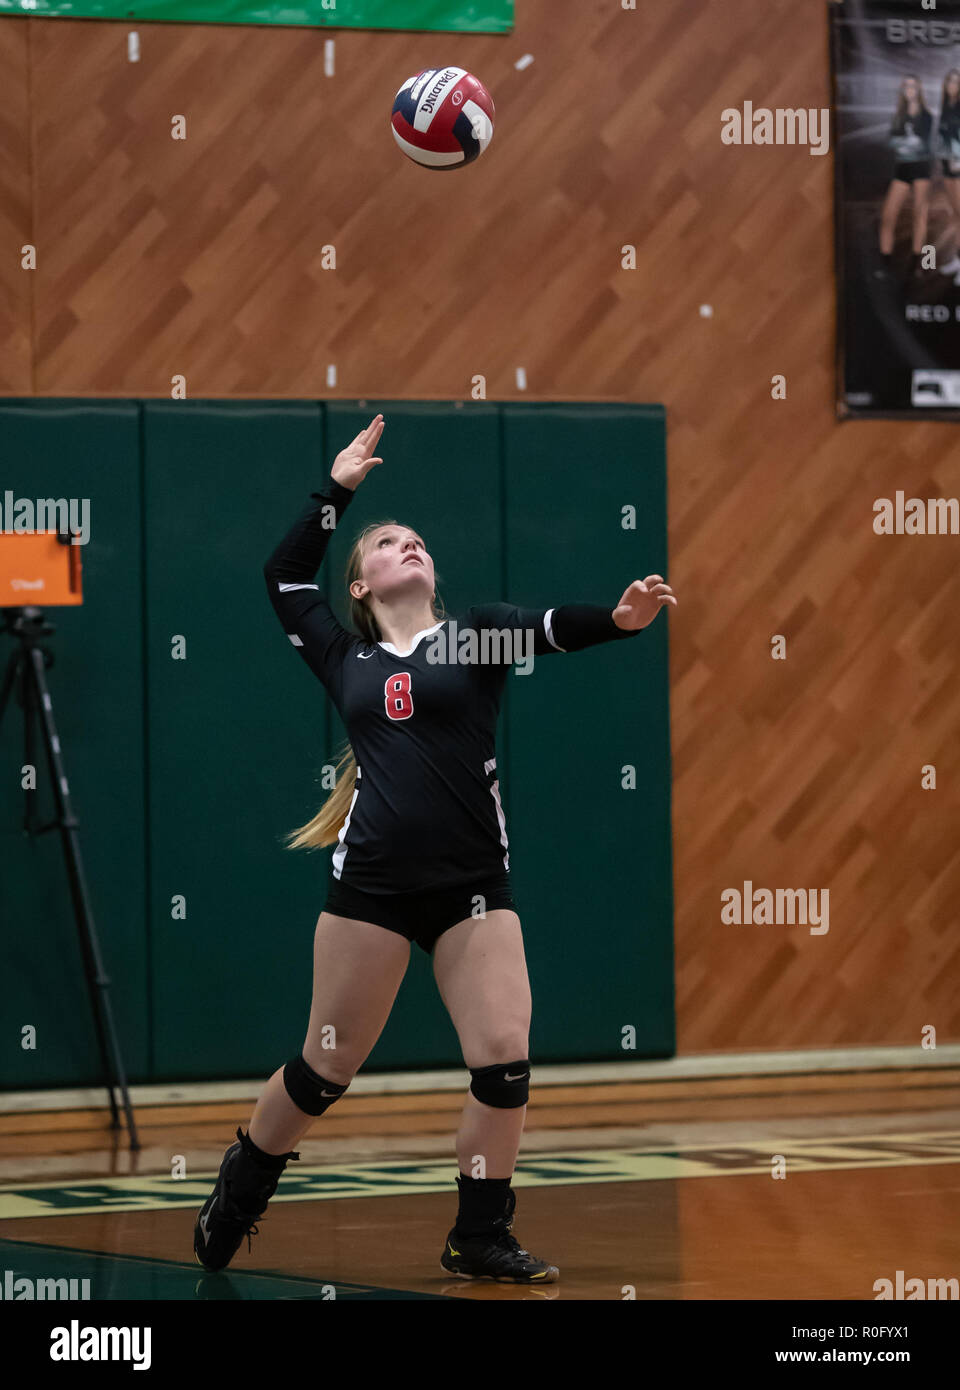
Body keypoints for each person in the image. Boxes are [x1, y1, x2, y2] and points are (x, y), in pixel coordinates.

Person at [194, 414, 677, 1284]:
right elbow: (280, 573)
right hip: (372, 889)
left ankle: (479, 1235)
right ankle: (243, 1182)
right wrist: (338, 490)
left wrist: (619, 618)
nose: (408, 545)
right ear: (362, 582)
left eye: (416, 540)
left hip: (472, 890)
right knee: (326, 1064)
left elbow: (551, 630)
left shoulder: (476, 635)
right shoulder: (340, 655)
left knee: (503, 1057)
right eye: (388, 542)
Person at [876, 76, 933, 279]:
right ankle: (885, 262)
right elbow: (891, 142)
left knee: (920, 216)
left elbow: (921, 144)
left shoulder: (926, 115)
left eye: (913, 86)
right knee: (888, 215)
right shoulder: (899, 116)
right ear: (903, 90)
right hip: (902, 170)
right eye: (906, 86)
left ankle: (920, 264)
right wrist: (906, 142)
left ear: (918, 89)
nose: (910, 89)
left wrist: (904, 143)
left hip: (921, 170)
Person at [936, 69, 960, 282]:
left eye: (956, 81)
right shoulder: (946, 106)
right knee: (954, 215)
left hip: (959, 165)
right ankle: (958, 260)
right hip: (947, 166)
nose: (952, 84)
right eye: (949, 80)